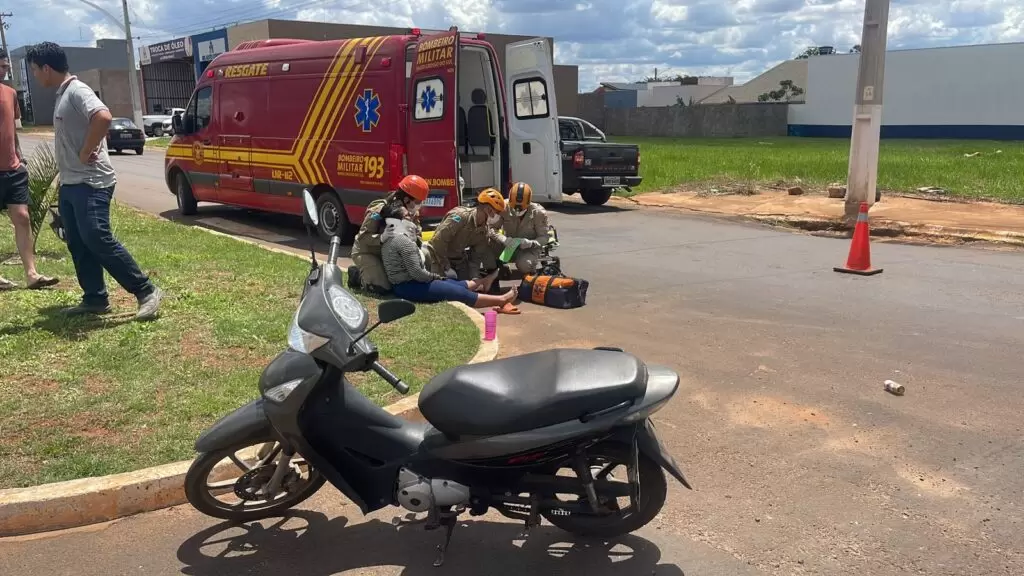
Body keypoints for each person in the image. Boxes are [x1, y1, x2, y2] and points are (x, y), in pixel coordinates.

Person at [26, 42, 162, 318]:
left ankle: (146, 290)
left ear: (46, 68)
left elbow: (103, 117)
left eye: (35, 71)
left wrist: (87, 150)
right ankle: (95, 298)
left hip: (92, 182)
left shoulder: (77, 91)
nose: (35, 76)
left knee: (96, 236)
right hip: (72, 183)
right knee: (77, 240)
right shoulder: (62, 95)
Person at [0, 49, 59, 291]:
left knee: (22, 218)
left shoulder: (10, 93)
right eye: (1, 66)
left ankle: (32, 274)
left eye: (5, 67)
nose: (4, 71)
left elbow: (13, 130)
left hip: (12, 169)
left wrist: (20, 158)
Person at [380, 204, 516, 309]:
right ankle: (502, 300)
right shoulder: (402, 241)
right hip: (409, 286)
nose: (412, 217)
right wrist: (437, 277)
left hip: (408, 284)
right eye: (407, 216)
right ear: (396, 222)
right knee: (458, 293)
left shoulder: (392, 238)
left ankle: (484, 281)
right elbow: (417, 273)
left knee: (455, 284)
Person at [349, 174, 429, 294]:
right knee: (382, 287)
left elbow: (418, 236)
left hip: (392, 252)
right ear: (406, 199)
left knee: (425, 254)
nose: (419, 205)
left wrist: (415, 239)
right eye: (417, 202)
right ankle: (356, 275)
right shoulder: (379, 210)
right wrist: (381, 237)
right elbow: (363, 238)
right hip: (368, 251)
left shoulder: (412, 213)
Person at [425, 188, 507, 280]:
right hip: (438, 257)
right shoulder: (460, 217)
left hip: (458, 260)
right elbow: (438, 241)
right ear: (488, 210)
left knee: (468, 287)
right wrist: (446, 266)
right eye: (497, 212)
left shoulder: (484, 232)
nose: (498, 216)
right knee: (446, 285)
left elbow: (475, 258)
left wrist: (474, 277)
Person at [500, 181, 550, 275]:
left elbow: (544, 237)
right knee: (488, 253)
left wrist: (531, 243)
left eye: (521, 208)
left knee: (524, 265)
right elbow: (492, 229)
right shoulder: (503, 206)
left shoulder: (538, 213)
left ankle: (530, 274)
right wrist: (504, 239)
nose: (517, 210)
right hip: (509, 246)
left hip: (528, 248)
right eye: (514, 207)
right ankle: (500, 266)